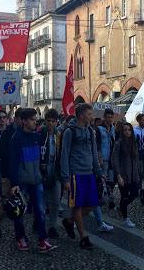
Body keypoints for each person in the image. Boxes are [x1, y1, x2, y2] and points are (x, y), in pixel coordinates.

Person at [9, 108, 57, 252]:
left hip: (36, 180)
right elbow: (13, 162)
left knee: (40, 211)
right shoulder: (16, 138)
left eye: (36, 119)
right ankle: (20, 237)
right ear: (24, 121)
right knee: (20, 211)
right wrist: (14, 183)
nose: (35, 122)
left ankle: (42, 240)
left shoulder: (37, 136)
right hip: (22, 181)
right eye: (32, 119)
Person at [61, 103, 104, 250]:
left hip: (89, 173)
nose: (92, 117)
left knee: (92, 204)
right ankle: (83, 237)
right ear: (81, 116)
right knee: (78, 206)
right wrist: (65, 178)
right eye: (90, 114)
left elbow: (93, 153)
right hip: (75, 174)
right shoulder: (69, 132)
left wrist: (98, 172)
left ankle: (69, 221)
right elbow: (64, 154)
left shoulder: (91, 131)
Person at [0, 108, 23, 238]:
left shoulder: (26, 132)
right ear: (16, 119)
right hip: (9, 174)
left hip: (23, 173)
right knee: (8, 202)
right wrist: (4, 176)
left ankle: (22, 233)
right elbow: (3, 155)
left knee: (20, 203)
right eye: (22, 119)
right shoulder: (7, 133)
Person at [39, 109, 62, 239]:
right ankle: (40, 223)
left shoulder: (58, 134)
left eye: (53, 121)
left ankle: (52, 226)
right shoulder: (40, 132)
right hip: (43, 170)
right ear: (45, 120)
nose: (51, 123)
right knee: (42, 202)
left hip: (56, 171)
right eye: (49, 121)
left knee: (56, 202)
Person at [112, 123, 139, 227]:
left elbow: (136, 159)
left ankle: (122, 207)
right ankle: (125, 218)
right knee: (124, 196)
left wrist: (138, 173)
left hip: (133, 175)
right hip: (123, 175)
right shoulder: (119, 143)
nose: (127, 131)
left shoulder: (134, 142)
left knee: (134, 194)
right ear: (122, 132)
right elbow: (115, 159)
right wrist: (118, 175)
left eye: (129, 130)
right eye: (125, 130)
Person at [94, 109, 115, 231]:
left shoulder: (112, 128)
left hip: (111, 158)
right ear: (104, 117)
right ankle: (101, 198)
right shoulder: (99, 129)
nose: (109, 119)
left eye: (111, 117)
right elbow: (96, 144)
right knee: (103, 179)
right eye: (108, 117)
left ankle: (110, 197)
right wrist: (99, 156)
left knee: (110, 179)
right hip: (103, 159)